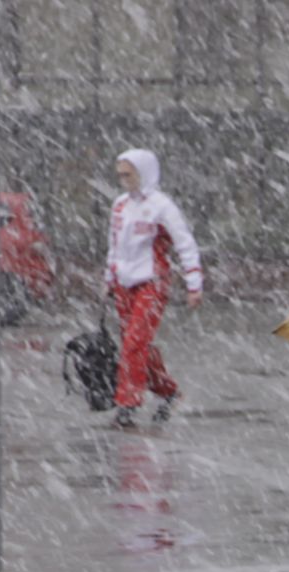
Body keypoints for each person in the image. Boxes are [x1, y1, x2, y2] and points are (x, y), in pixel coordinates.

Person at [105, 149, 202, 430]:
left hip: (152, 284)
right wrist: (109, 277)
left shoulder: (162, 207)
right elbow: (114, 245)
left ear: (143, 172)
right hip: (124, 285)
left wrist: (194, 283)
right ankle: (168, 391)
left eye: (128, 174)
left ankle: (128, 404)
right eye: (120, 175)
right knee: (137, 347)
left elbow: (185, 243)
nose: (124, 180)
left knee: (134, 344)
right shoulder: (120, 205)